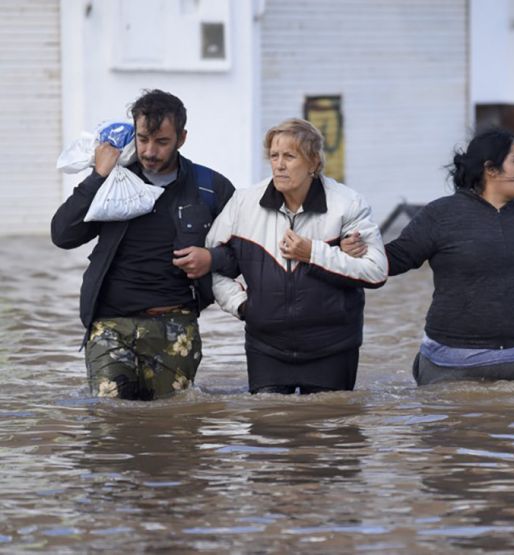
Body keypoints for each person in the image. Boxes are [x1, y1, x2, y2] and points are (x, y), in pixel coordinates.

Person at [345, 128, 514, 386]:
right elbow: (391, 260)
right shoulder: (440, 215)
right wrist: (357, 251)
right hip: (452, 364)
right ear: (490, 169)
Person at [50, 89, 235, 401]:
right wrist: (98, 175)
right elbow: (63, 235)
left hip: (175, 323)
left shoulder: (210, 188)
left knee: (173, 428)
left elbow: (247, 253)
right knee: (111, 421)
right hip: (109, 324)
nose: (149, 151)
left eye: (161, 142)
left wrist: (212, 258)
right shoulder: (114, 183)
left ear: (182, 138)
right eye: (143, 138)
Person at [205, 119, 388, 394]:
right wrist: (242, 306)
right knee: (270, 429)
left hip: (333, 346)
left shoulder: (347, 203)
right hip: (266, 347)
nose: (279, 165)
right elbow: (211, 262)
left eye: (289, 156)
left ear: (314, 162)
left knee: (331, 431)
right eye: (274, 156)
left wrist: (313, 252)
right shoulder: (243, 203)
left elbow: (376, 271)